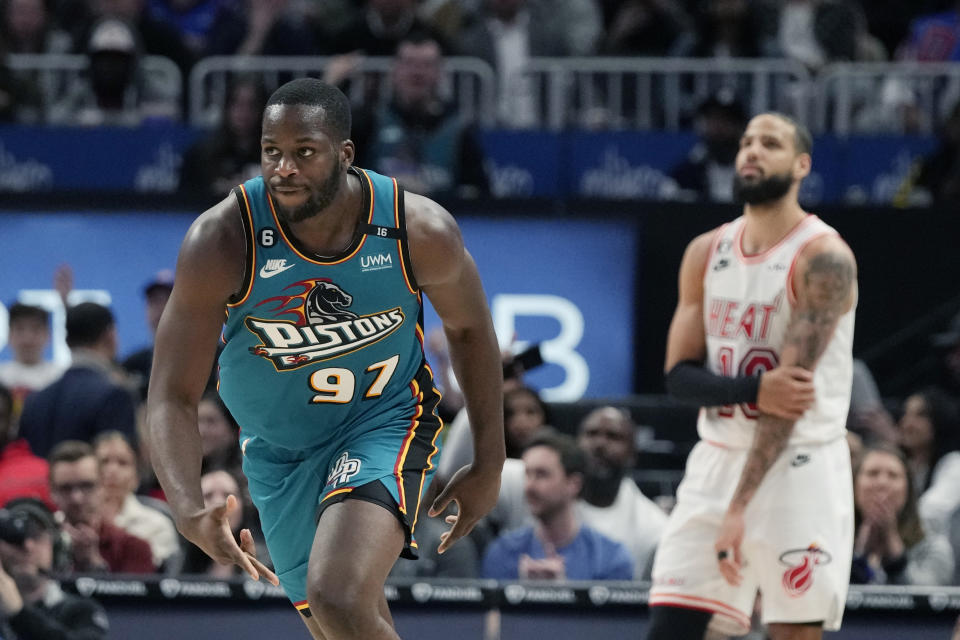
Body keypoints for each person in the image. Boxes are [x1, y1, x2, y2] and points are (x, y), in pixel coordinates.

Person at [146, 78, 505, 639]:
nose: (284, 168)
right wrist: (188, 507)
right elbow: (171, 394)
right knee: (347, 623)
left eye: (304, 152)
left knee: (337, 594)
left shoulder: (418, 229)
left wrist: (490, 460)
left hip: (383, 421)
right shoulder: (222, 239)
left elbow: (470, 332)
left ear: (345, 154)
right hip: (276, 453)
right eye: (272, 152)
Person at [648, 112, 858, 640]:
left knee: (792, 633)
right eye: (745, 142)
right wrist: (750, 389)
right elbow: (679, 378)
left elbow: (785, 402)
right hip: (716, 458)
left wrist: (740, 508)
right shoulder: (705, 252)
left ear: (801, 164)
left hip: (797, 465)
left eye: (770, 143)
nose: (751, 151)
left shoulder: (823, 258)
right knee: (671, 628)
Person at [481, 430, 633, 581]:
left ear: (573, 484)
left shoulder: (610, 558)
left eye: (542, 474)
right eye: (527, 474)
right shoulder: (503, 552)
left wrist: (562, 595)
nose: (529, 486)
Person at [355, 32, 490, 200]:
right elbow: (345, 186)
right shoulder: (368, 123)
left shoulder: (459, 130)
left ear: (440, 72)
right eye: (409, 63)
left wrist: (431, 194)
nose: (417, 72)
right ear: (394, 70)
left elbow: (480, 194)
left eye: (427, 64)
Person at [18, 302, 138, 459]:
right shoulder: (115, 397)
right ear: (110, 336)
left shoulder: (34, 401)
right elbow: (119, 468)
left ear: (67, 342)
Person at [576, 406, 667, 580]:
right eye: (592, 434)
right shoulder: (544, 496)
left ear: (632, 454)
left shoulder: (654, 527)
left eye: (613, 437)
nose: (600, 444)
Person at [0, 498, 109, 639]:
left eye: (36, 535)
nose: (28, 546)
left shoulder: (81, 611)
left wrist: (19, 613)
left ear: (56, 546)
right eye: (15, 538)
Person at [850, 443, 954, 586]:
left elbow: (928, 602)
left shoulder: (932, 546)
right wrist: (860, 556)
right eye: (872, 473)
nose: (882, 483)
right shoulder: (832, 542)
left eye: (893, 475)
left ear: (908, 489)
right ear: (854, 485)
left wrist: (894, 553)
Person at [48, 440, 156, 574]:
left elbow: (132, 594)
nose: (77, 498)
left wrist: (93, 562)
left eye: (87, 486)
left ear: (102, 487)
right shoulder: (38, 545)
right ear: (52, 492)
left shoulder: (134, 549)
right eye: (66, 488)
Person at [93, 431, 180, 571]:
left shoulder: (158, 524)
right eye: (104, 461)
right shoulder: (69, 520)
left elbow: (153, 575)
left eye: (123, 463)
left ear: (136, 477)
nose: (112, 470)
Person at [0, 304, 64, 416]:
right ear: (9, 335)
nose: (27, 338)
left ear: (48, 336)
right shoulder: (1, 376)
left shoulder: (60, 377)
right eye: (20, 329)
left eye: (35, 330)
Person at [121, 269, 175, 401]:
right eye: (153, 302)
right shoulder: (131, 365)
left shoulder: (208, 358)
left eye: (165, 300)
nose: (159, 308)